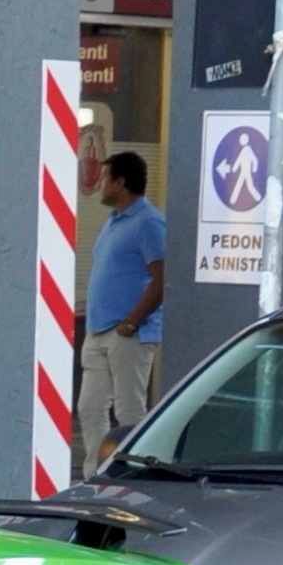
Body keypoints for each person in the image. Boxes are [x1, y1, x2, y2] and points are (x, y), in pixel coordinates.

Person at [80, 151, 166, 466]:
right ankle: (97, 474)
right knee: (90, 409)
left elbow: (162, 278)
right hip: (98, 332)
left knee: (129, 412)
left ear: (120, 182)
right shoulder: (113, 221)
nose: (100, 184)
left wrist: (131, 323)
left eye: (105, 178)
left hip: (128, 334)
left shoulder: (149, 223)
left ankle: (133, 475)